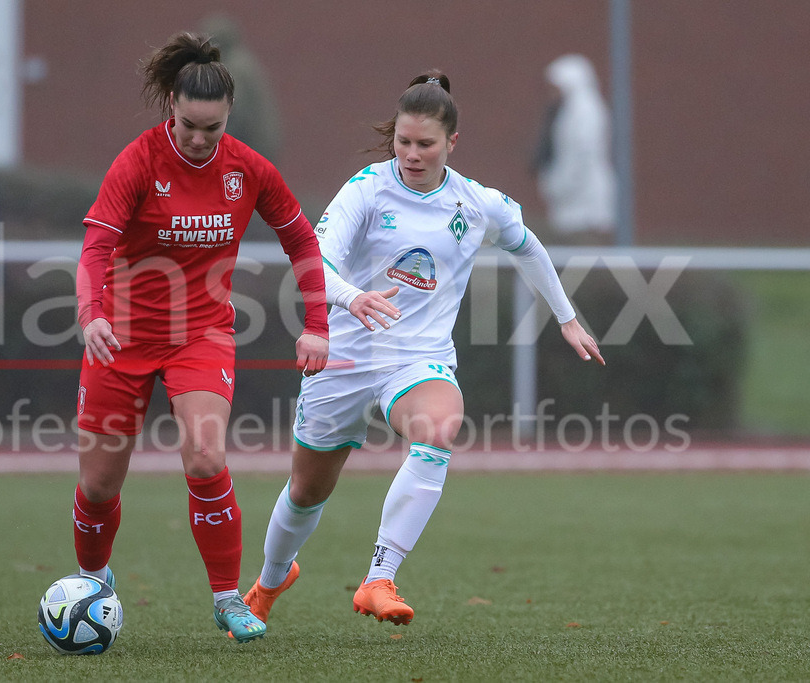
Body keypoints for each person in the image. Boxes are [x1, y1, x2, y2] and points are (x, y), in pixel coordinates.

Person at [243, 72, 604, 628]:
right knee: (306, 490)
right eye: (404, 142)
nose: (412, 154)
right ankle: (269, 583)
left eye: (425, 144)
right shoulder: (366, 188)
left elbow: (527, 247)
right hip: (342, 357)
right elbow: (316, 258)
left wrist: (567, 318)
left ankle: (379, 578)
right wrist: (354, 297)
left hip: (418, 357)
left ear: (451, 143)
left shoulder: (476, 202)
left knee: (438, 431)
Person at [71, 31, 329, 643]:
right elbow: (97, 247)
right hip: (122, 337)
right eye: (189, 124)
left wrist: (317, 325)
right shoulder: (137, 162)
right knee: (98, 486)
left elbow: (301, 241)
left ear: (227, 118)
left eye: (210, 128)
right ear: (172, 109)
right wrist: (93, 314)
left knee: (207, 457)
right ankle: (92, 584)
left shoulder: (248, 169)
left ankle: (226, 598)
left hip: (201, 335)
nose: (198, 138)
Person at [530, 54, 616, 244]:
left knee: (583, 252)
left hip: (585, 197)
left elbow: (584, 155)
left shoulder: (586, 111)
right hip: (569, 197)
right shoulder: (566, 112)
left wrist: (562, 185)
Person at [201, 14, 281, 163]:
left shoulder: (233, 67)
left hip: (253, 145)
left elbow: (235, 112)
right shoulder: (244, 61)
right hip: (263, 142)